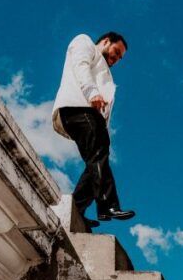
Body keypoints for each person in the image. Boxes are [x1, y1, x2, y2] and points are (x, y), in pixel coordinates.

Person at [52, 31, 136, 228]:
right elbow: (80, 65)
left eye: (119, 58)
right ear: (106, 41)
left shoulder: (105, 72)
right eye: (116, 52)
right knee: (99, 154)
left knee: (97, 161)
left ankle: (76, 209)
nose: (116, 59)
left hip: (90, 114)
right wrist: (92, 92)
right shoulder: (85, 42)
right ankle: (108, 205)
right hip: (77, 107)